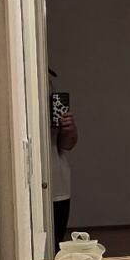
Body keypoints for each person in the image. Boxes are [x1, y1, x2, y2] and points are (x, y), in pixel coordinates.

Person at [48, 72, 78, 249]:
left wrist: (70, 129)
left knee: (55, 244)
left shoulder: (53, 102)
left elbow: (67, 145)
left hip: (57, 185)